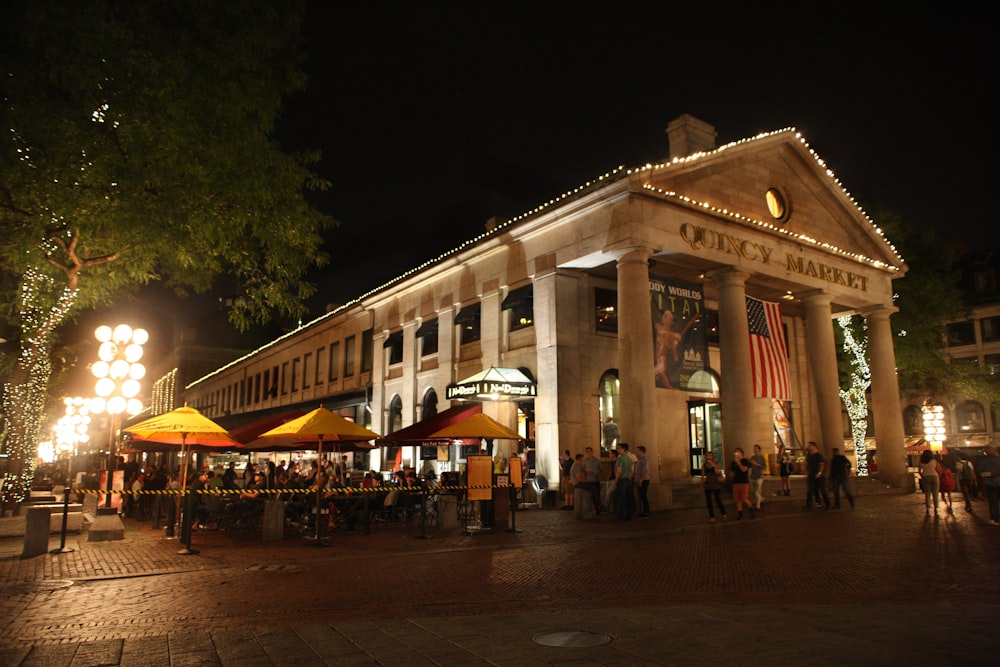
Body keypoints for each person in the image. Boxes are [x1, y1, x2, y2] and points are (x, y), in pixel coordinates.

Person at [977, 445, 1000, 525]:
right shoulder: (985, 460)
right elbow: (980, 473)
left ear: (993, 449)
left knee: (993, 501)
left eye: (987, 450)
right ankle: (994, 518)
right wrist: (991, 474)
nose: (986, 452)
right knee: (993, 502)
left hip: (995, 482)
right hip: (990, 484)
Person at [701, 452, 726, 523]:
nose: (709, 457)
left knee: (718, 500)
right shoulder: (704, 465)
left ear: (712, 457)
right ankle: (712, 516)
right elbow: (702, 475)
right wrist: (702, 484)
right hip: (708, 484)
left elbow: (717, 472)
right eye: (707, 456)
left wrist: (713, 464)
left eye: (710, 456)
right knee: (709, 501)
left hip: (715, 484)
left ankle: (723, 513)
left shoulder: (715, 463)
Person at [805, 441, 831, 510]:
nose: (809, 447)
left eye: (810, 446)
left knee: (823, 490)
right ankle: (809, 505)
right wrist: (807, 472)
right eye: (809, 446)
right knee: (810, 490)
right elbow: (807, 465)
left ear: (814, 447)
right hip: (811, 475)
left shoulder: (819, 455)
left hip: (819, 476)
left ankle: (828, 504)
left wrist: (819, 473)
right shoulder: (809, 456)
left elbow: (822, 465)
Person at [729, 447, 752, 519]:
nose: (737, 454)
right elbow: (732, 472)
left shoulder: (745, 461)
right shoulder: (733, 462)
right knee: (737, 500)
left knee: (745, 499)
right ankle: (740, 514)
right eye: (736, 452)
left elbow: (744, 470)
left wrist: (739, 462)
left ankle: (751, 510)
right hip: (736, 482)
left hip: (744, 482)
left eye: (738, 452)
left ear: (742, 453)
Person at [614, 442, 634, 521]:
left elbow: (619, 470)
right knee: (629, 499)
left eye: (619, 448)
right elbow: (632, 470)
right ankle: (629, 515)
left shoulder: (620, 458)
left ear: (623, 449)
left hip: (622, 480)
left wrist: (616, 479)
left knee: (622, 499)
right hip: (628, 480)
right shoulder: (629, 459)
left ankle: (621, 516)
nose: (618, 450)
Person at [579, 446, 602, 514]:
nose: (589, 453)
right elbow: (582, 469)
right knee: (590, 495)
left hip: (595, 479)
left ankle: (598, 509)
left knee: (597, 495)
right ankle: (591, 508)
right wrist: (586, 472)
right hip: (588, 480)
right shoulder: (585, 461)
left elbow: (600, 469)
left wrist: (597, 473)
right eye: (588, 452)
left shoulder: (597, 460)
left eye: (590, 451)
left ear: (592, 452)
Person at [918, 449, 941, 517]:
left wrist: (923, 476)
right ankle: (936, 507)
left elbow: (919, 471)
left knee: (927, 493)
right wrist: (938, 476)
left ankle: (928, 507)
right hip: (934, 476)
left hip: (925, 477)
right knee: (935, 493)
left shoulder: (921, 462)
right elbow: (939, 469)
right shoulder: (934, 461)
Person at [634, 445, 651, 517]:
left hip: (644, 480)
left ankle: (646, 511)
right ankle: (643, 511)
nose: (636, 453)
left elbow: (645, 471)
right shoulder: (640, 459)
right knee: (641, 496)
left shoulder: (644, 460)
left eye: (637, 451)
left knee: (644, 496)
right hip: (640, 480)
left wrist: (641, 480)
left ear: (641, 451)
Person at [748, 444, 766, 511]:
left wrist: (756, 464)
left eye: (755, 448)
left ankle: (758, 505)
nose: (754, 449)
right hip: (753, 476)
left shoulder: (762, 458)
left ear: (759, 449)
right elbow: (749, 466)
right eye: (754, 448)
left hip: (759, 476)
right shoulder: (752, 457)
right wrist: (748, 461)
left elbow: (764, 467)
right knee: (752, 492)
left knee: (757, 492)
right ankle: (761, 499)